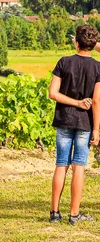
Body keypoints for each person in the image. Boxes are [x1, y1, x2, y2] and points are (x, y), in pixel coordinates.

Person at [49, 24, 100, 226]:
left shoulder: (63, 62)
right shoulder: (97, 67)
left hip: (63, 120)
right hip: (85, 124)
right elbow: (96, 102)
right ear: (93, 44)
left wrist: (73, 102)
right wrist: (96, 129)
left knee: (61, 164)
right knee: (79, 166)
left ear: (76, 43)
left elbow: (53, 94)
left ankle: (54, 213)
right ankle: (74, 215)